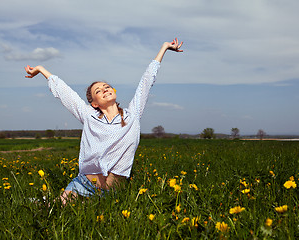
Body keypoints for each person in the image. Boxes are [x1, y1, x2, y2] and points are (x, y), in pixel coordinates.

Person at [25, 38, 183, 204]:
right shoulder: (88, 115)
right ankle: (38, 202)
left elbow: (146, 81)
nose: (105, 89)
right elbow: (66, 93)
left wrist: (164, 48)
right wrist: (42, 70)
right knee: (55, 208)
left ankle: (41, 201)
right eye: (98, 91)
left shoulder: (132, 115)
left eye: (107, 86)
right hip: (84, 184)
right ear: (94, 103)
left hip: (113, 193)